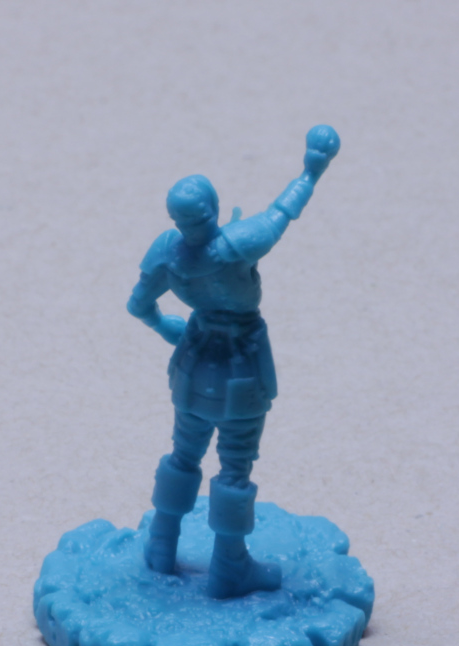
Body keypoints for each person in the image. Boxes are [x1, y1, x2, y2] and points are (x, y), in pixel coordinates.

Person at [127, 125, 340, 598]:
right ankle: (229, 568)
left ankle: (162, 546)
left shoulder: (167, 251)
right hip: (240, 369)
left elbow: (139, 304)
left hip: (193, 363)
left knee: (183, 454)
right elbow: (284, 211)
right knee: (234, 469)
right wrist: (312, 169)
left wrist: (167, 328)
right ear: (214, 210)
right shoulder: (237, 244)